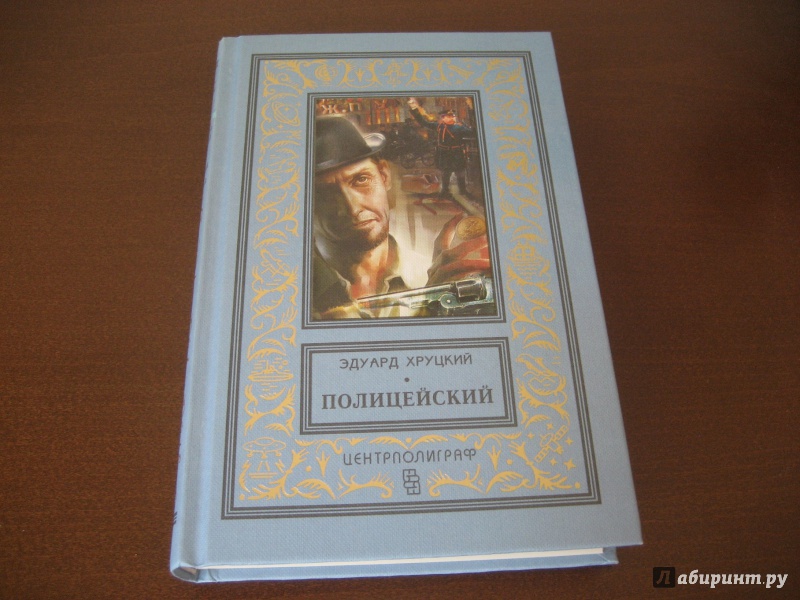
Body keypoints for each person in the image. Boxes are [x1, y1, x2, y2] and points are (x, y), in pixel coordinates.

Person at [312, 115, 491, 320]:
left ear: (384, 176)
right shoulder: (299, 289)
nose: (353, 208)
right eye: (326, 193)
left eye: (361, 179)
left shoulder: (428, 272)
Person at [407, 98, 473, 199]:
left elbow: (471, 133)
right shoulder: (439, 126)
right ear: (443, 118)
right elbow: (424, 123)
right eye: (449, 116)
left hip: (457, 153)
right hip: (445, 153)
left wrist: (471, 113)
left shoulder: (460, 127)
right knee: (445, 173)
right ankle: (445, 191)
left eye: (453, 116)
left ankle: (463, 190)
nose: (452, 117)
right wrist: (414, 109)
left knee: (460, 173)